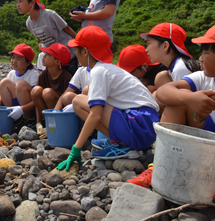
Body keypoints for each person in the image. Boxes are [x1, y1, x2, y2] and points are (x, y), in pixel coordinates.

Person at [154, 23, 215, 205]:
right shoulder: (204, 78)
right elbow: (163, 93)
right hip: (205, 149)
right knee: (178, 100)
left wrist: (209, 96)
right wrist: (190, 99)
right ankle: (160, 167)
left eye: (206, 53)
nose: (200, 59)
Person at [57, 26, 160, 169]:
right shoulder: (107, 69)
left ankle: (127, 146)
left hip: (141, 124)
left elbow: (95, 115)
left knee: (78, 101)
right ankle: (121, 142)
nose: (75, 53)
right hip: (146, 124)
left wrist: (76, 149)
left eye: (76, 49)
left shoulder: (99, 71)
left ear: (85, 51)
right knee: (86, 100)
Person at [12, 0, 78, 75]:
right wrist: (42, 47)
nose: (17, 5)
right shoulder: (29, 23)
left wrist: (79, 42)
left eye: (20, 1)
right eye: (17, 1)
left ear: (32, 2)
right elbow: (39, 38)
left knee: (69, 82)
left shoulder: (49, 15)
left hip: (68, 55)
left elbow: (66, 28)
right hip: (51, 58)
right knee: (52, 84)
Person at [0, 44, 39, 131]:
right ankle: (12, 117)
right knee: (4, 82)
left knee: (20, 84)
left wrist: (22, 109)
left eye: (18, 59)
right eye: (13, 57)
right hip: (16, 104)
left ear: (28, 62)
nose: (14, 61)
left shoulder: (33, 74)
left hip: (28, 109)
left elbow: (36, 99)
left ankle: (27, 120)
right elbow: (3, 93)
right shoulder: (11, 73)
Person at [31, 43, 73, 136]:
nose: (44, 56)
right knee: (35, 90)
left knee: (47, 93)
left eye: (48, 55)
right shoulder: (43, 75)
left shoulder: (66, 77)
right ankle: (47, 124)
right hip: (48, 116)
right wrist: (38, 123)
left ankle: (56, 125)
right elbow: (36, 101)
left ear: (57, 62)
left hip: (63, 118)